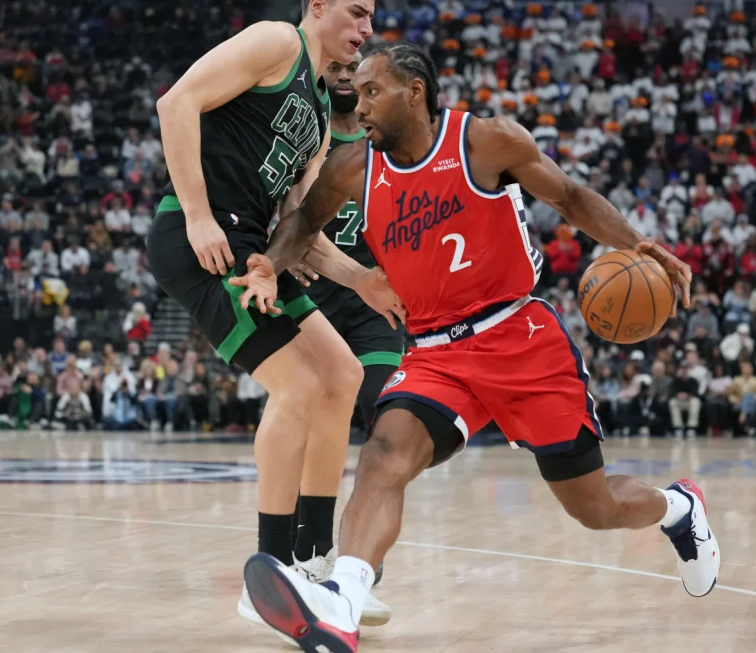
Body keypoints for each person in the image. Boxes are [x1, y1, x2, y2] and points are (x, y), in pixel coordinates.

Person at [234, 43, 718, 652]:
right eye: (355, 94)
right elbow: (302, 224)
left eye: (372, 92)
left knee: (593, 507)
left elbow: (569, 198)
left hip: (520, 337)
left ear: (414, 92)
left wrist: (642, 245)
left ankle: (678, 509)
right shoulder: (352, 167)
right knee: (384, 454)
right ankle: (342, 601)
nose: (359, 106)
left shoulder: (485, 143)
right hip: (436, 350)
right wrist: (268, 268)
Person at [144, 0, 395, 629]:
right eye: (357, 13)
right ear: (317, 7)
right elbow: (175, 104)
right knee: (301, 385)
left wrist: (362, 279)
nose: (367, 30)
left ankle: (313, 563)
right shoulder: (276, 41)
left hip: (254, 251)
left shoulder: (316, 110)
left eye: (372, 19)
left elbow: (300, 227)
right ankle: (269, 571)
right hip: (203, 238)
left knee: (342, 376)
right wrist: (198, 215)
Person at [287, 51, 405, 579]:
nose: (344, 81)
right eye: (334, 73)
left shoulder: (388, 144)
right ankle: (305, 544)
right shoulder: (302, 140)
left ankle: (358, 559)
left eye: (352, 76)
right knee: (313, 423)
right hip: (313, 295)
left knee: (385, 426)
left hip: (372, 302)